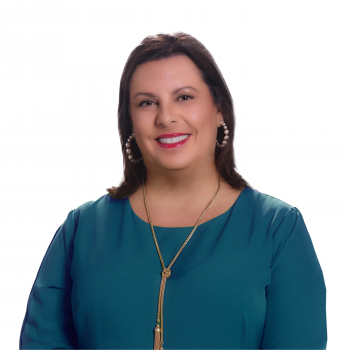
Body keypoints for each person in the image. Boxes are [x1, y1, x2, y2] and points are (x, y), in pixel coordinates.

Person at [19, 32, 327, 350]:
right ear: (130, 123)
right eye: (147, 103)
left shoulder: (277, 229)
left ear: (218, 108)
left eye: (184, 97)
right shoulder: (81, 230)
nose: (166, 117)